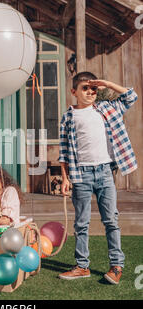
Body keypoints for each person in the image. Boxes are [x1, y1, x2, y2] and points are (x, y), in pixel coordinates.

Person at [58, 71, 138, 285]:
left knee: (111, 220)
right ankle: (82, 266)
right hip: (80, 174)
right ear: (74, 92)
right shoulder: (68, 117)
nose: (90, 92)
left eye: (93, 88)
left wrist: (107, 84)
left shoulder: (105, 108)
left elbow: (131, 96)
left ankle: (116, 266)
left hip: (104, 173)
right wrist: (65, 179)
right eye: (85, 88)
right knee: (81, 223)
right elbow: (64, 152)